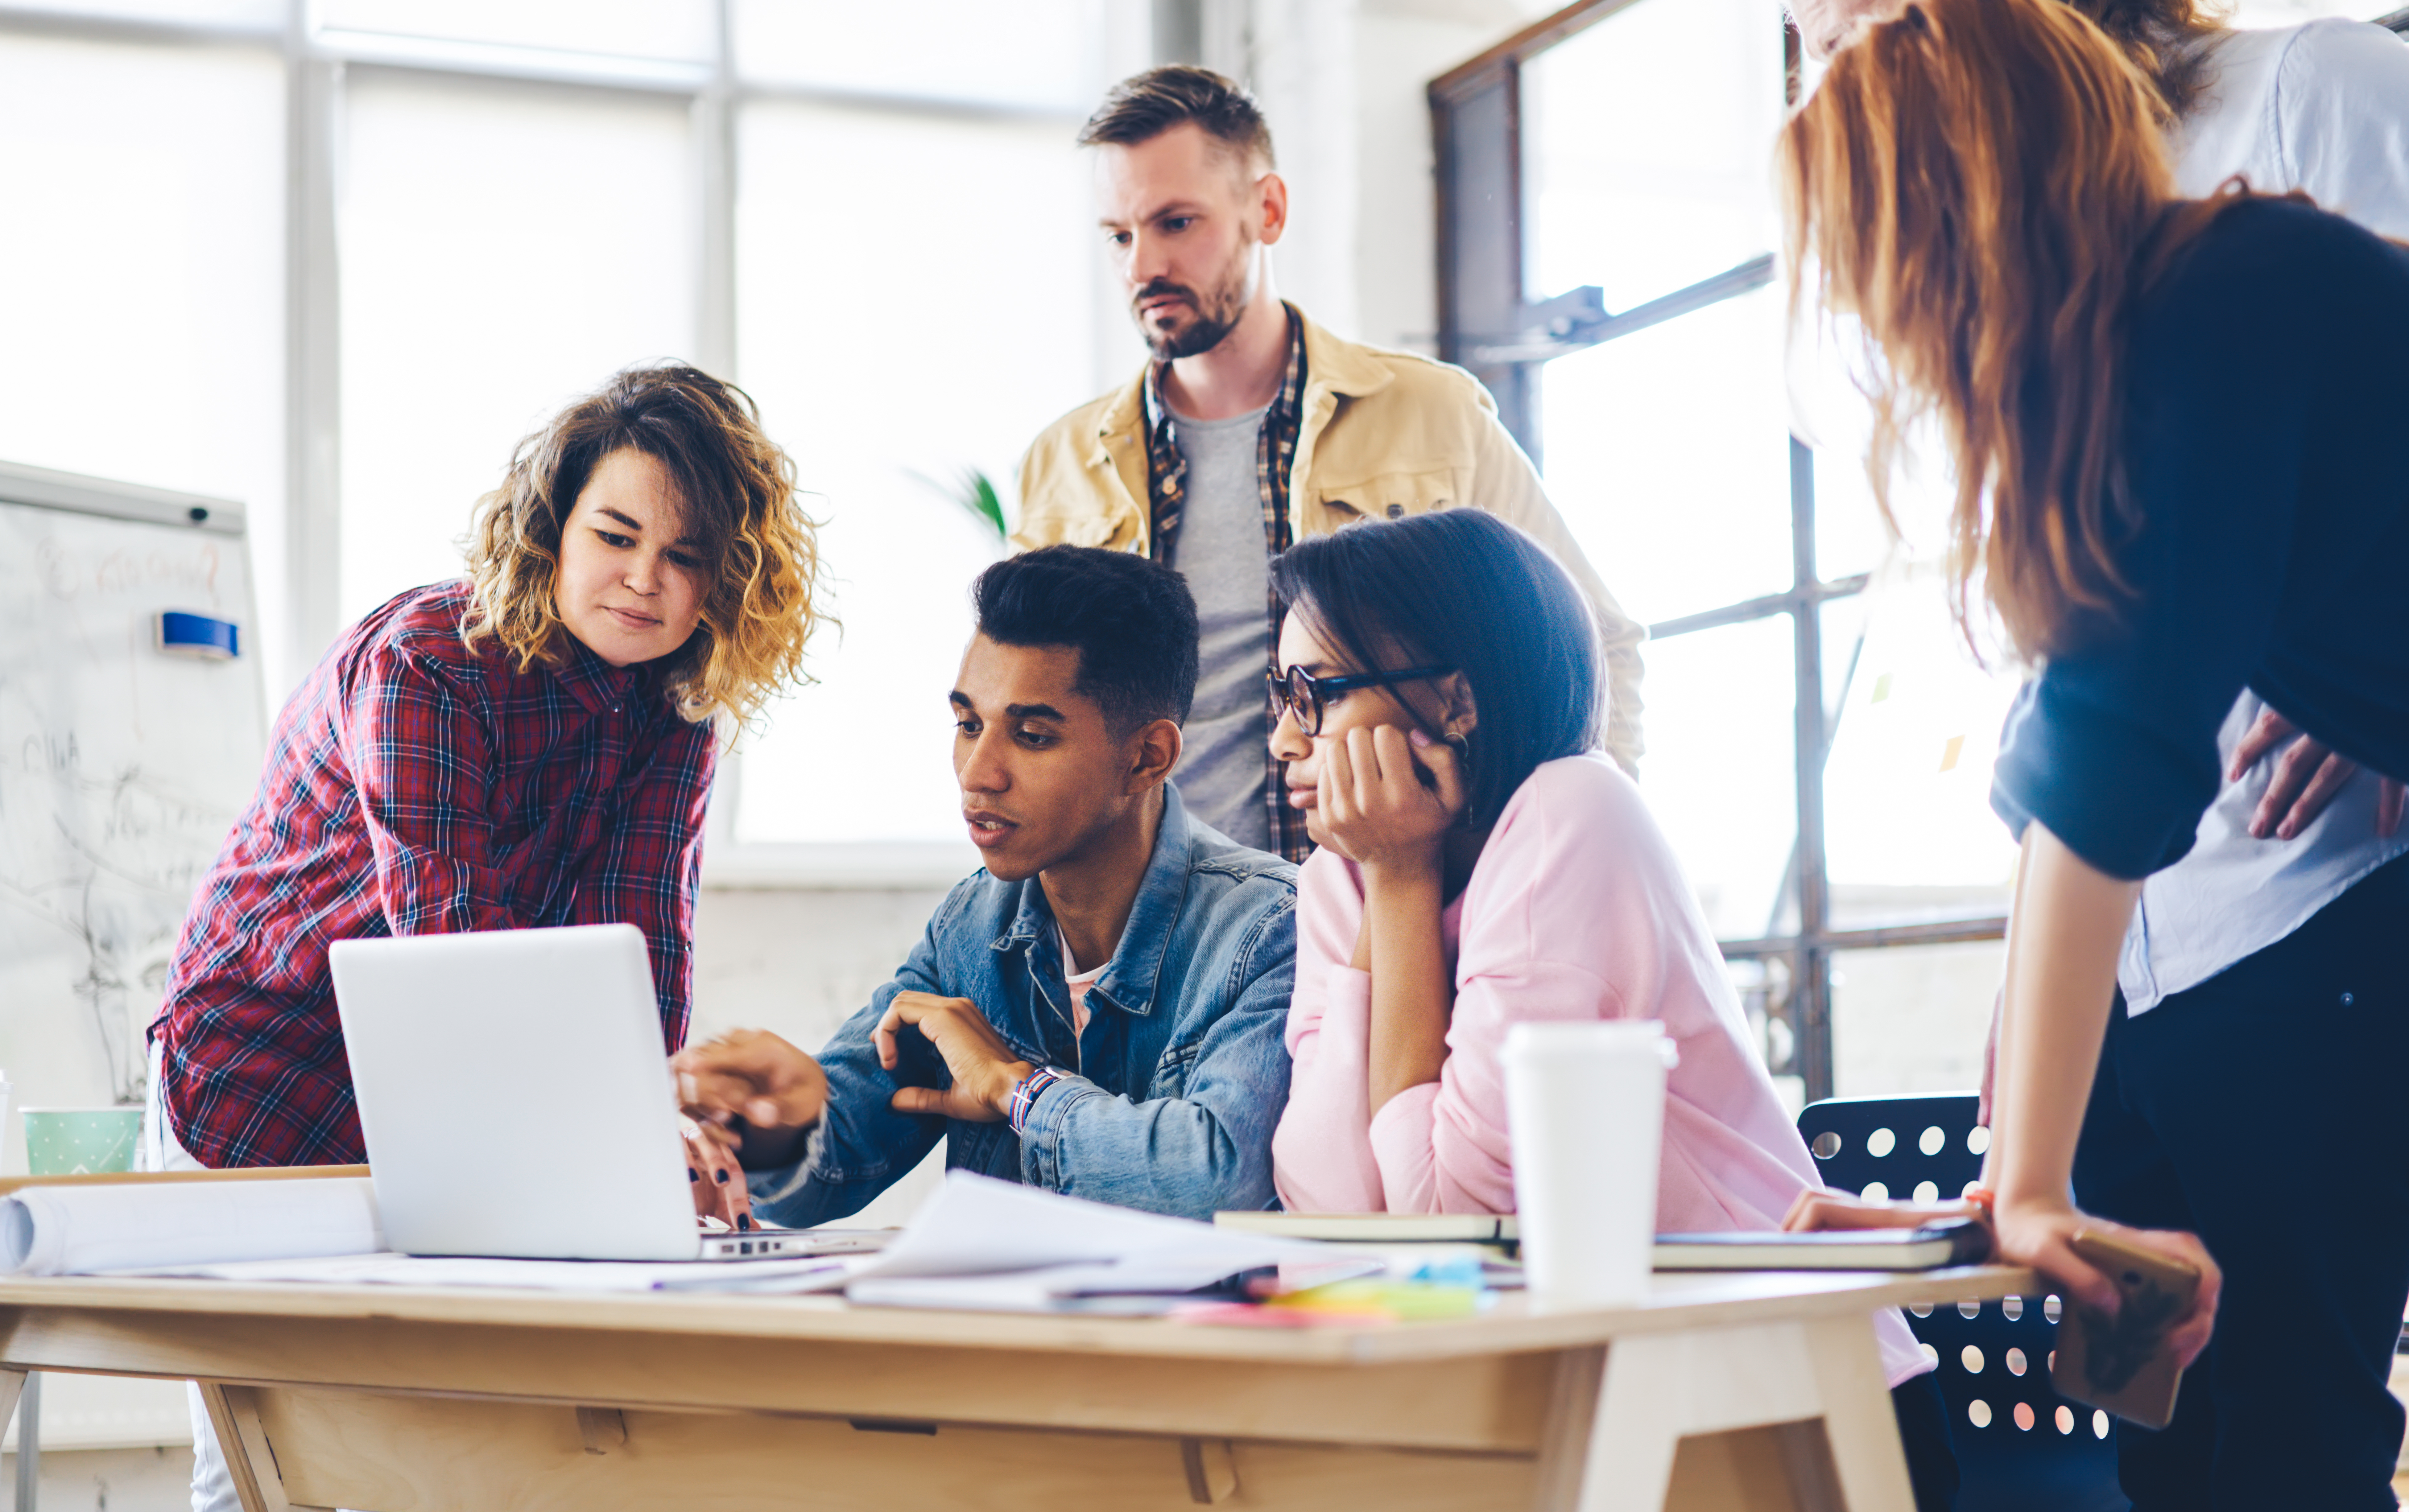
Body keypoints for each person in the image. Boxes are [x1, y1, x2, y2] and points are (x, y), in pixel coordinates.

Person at [1781, 0, 2409, 1505]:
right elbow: (2074, 746)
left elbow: (2109, 761)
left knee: (2282, 1442)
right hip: (2178, 975)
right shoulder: (2159, 340)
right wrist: (2008, 1176)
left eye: (1884, 266)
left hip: (2309, 937)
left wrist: (2028, 1187)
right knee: (2173, 1423)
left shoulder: (2218, 301)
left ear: (1964, 216)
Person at [147, 362, 823, 1512]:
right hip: (263, 1081)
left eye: (687, 556)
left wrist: (666, 1115)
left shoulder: (674, 713)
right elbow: (454, 957)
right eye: (616, 535)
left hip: (456, 1109)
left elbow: (642, 954)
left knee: (438, 1461)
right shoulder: (426, 665)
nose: (645, 581)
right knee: (273, 1468)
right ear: (553, 527)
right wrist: (623, 1126)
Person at [1258, 509, 1956, 1509]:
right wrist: (1387, 883)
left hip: (1786, 1391)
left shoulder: (1571, 815)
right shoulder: (1342, 880)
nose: (1285, 734)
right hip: (1580, 1395)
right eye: (1279, 693)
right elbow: (1326, 1209)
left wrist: (1405, 883)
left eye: (1313, 692)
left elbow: (1447, 1225)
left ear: (1454, 699)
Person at [1015, 65, 1646, 865]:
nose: (1143, 267)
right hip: (1153, 947)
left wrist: (1568, 864)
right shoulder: (1059, 466)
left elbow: (1594, 646)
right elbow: (1023, 721)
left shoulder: (1433, 414)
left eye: (1176, 223)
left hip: (1387, 923)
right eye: (1119, 236)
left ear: (1267, 210)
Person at [672, 546, 1296, 1226]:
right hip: (996, 1333)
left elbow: (1219, 1182)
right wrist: (772, 1123)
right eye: (967, 724)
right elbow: (842, 1145)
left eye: (1030, 736)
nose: (978, 772)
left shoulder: (1269, 928)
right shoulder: (972, 924)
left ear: (1147, 757)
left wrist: (1017, 1088)